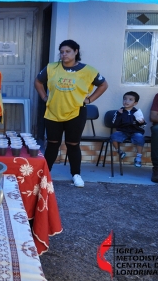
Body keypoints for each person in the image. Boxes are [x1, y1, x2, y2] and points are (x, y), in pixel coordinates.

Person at [34, 39, 108, 188]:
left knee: (73, 144)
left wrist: (89, 99)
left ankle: (76, 174)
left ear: (76, 52)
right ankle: (46, 175)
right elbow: (38, 82)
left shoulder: (88, 70)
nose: (64, 54)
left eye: (67, 51)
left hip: (76, 112)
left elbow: (103, 85)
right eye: (61, 52)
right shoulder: (51, 68)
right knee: (52, 144)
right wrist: (44, 97)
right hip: (53, 112)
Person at [110, 91, 146, 167]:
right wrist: (119, 114)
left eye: (130, 99)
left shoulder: (137, 112)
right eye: (125, 99)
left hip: (135, 131)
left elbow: (142, 126)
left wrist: (142, 122)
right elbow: (114, 123)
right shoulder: (119, 112)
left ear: (135, 103)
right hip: (123, 131)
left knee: (140, 138)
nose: (126, 101)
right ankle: (120, 152)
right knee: (114, 136)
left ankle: (138, 157)